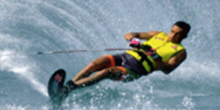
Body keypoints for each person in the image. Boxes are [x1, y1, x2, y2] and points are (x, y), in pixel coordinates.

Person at [62, 21, 191, 96]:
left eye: (178, 34)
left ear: (184, 36)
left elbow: (168, 69)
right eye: (172, 31)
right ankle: (66, 90)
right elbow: (130, 34)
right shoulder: (158, 35)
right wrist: (133, 40)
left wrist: (155, 57)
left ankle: (69, 88)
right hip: (124, 57)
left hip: (135, 69)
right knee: (93, 65)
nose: (172, 35)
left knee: (106, 72)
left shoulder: (180, 52)